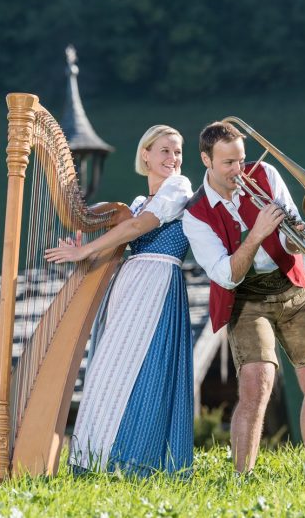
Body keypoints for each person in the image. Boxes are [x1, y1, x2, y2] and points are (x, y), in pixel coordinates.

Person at [182, 121, 305, 479]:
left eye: (241, 159)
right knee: (256, 383)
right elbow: (226, 274)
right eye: (228, 163)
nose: (239, 170)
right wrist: (256, 234)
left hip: (291, 286)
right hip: (245, 297)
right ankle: (242, 477)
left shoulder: (264, 173)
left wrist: (295, 235)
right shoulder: (195, 213)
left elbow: (290, 234)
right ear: (206, 159)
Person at [45, 125, 194, 476]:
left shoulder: (179, 188)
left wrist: (87, 248)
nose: (172, 159)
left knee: (146, 368)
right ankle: (95, 457)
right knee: (109, 369)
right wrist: (82, 245)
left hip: (158, 285)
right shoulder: (140, 202)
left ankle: (136, 460)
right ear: (145, 154)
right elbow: (122, 225)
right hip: (129, 287)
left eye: (177, 152)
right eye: (164, 151)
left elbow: (136, 228)